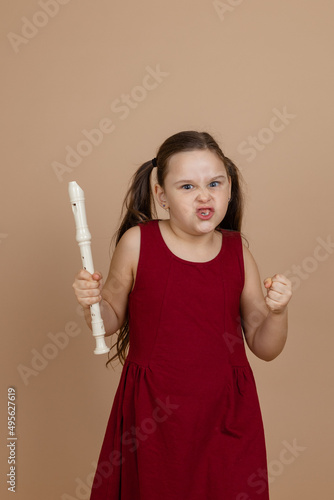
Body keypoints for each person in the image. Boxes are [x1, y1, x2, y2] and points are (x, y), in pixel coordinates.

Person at [72, 130, 292, 500]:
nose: (204, 195)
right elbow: (108, 321)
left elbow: (264, 346)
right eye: (187, 187)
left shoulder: (239, 254)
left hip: (225, 415)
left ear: (229, 188)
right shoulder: (138, 243)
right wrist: (92, 302)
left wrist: (278, 312)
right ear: (162, 196)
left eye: (215, 183)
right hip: (154, 413)